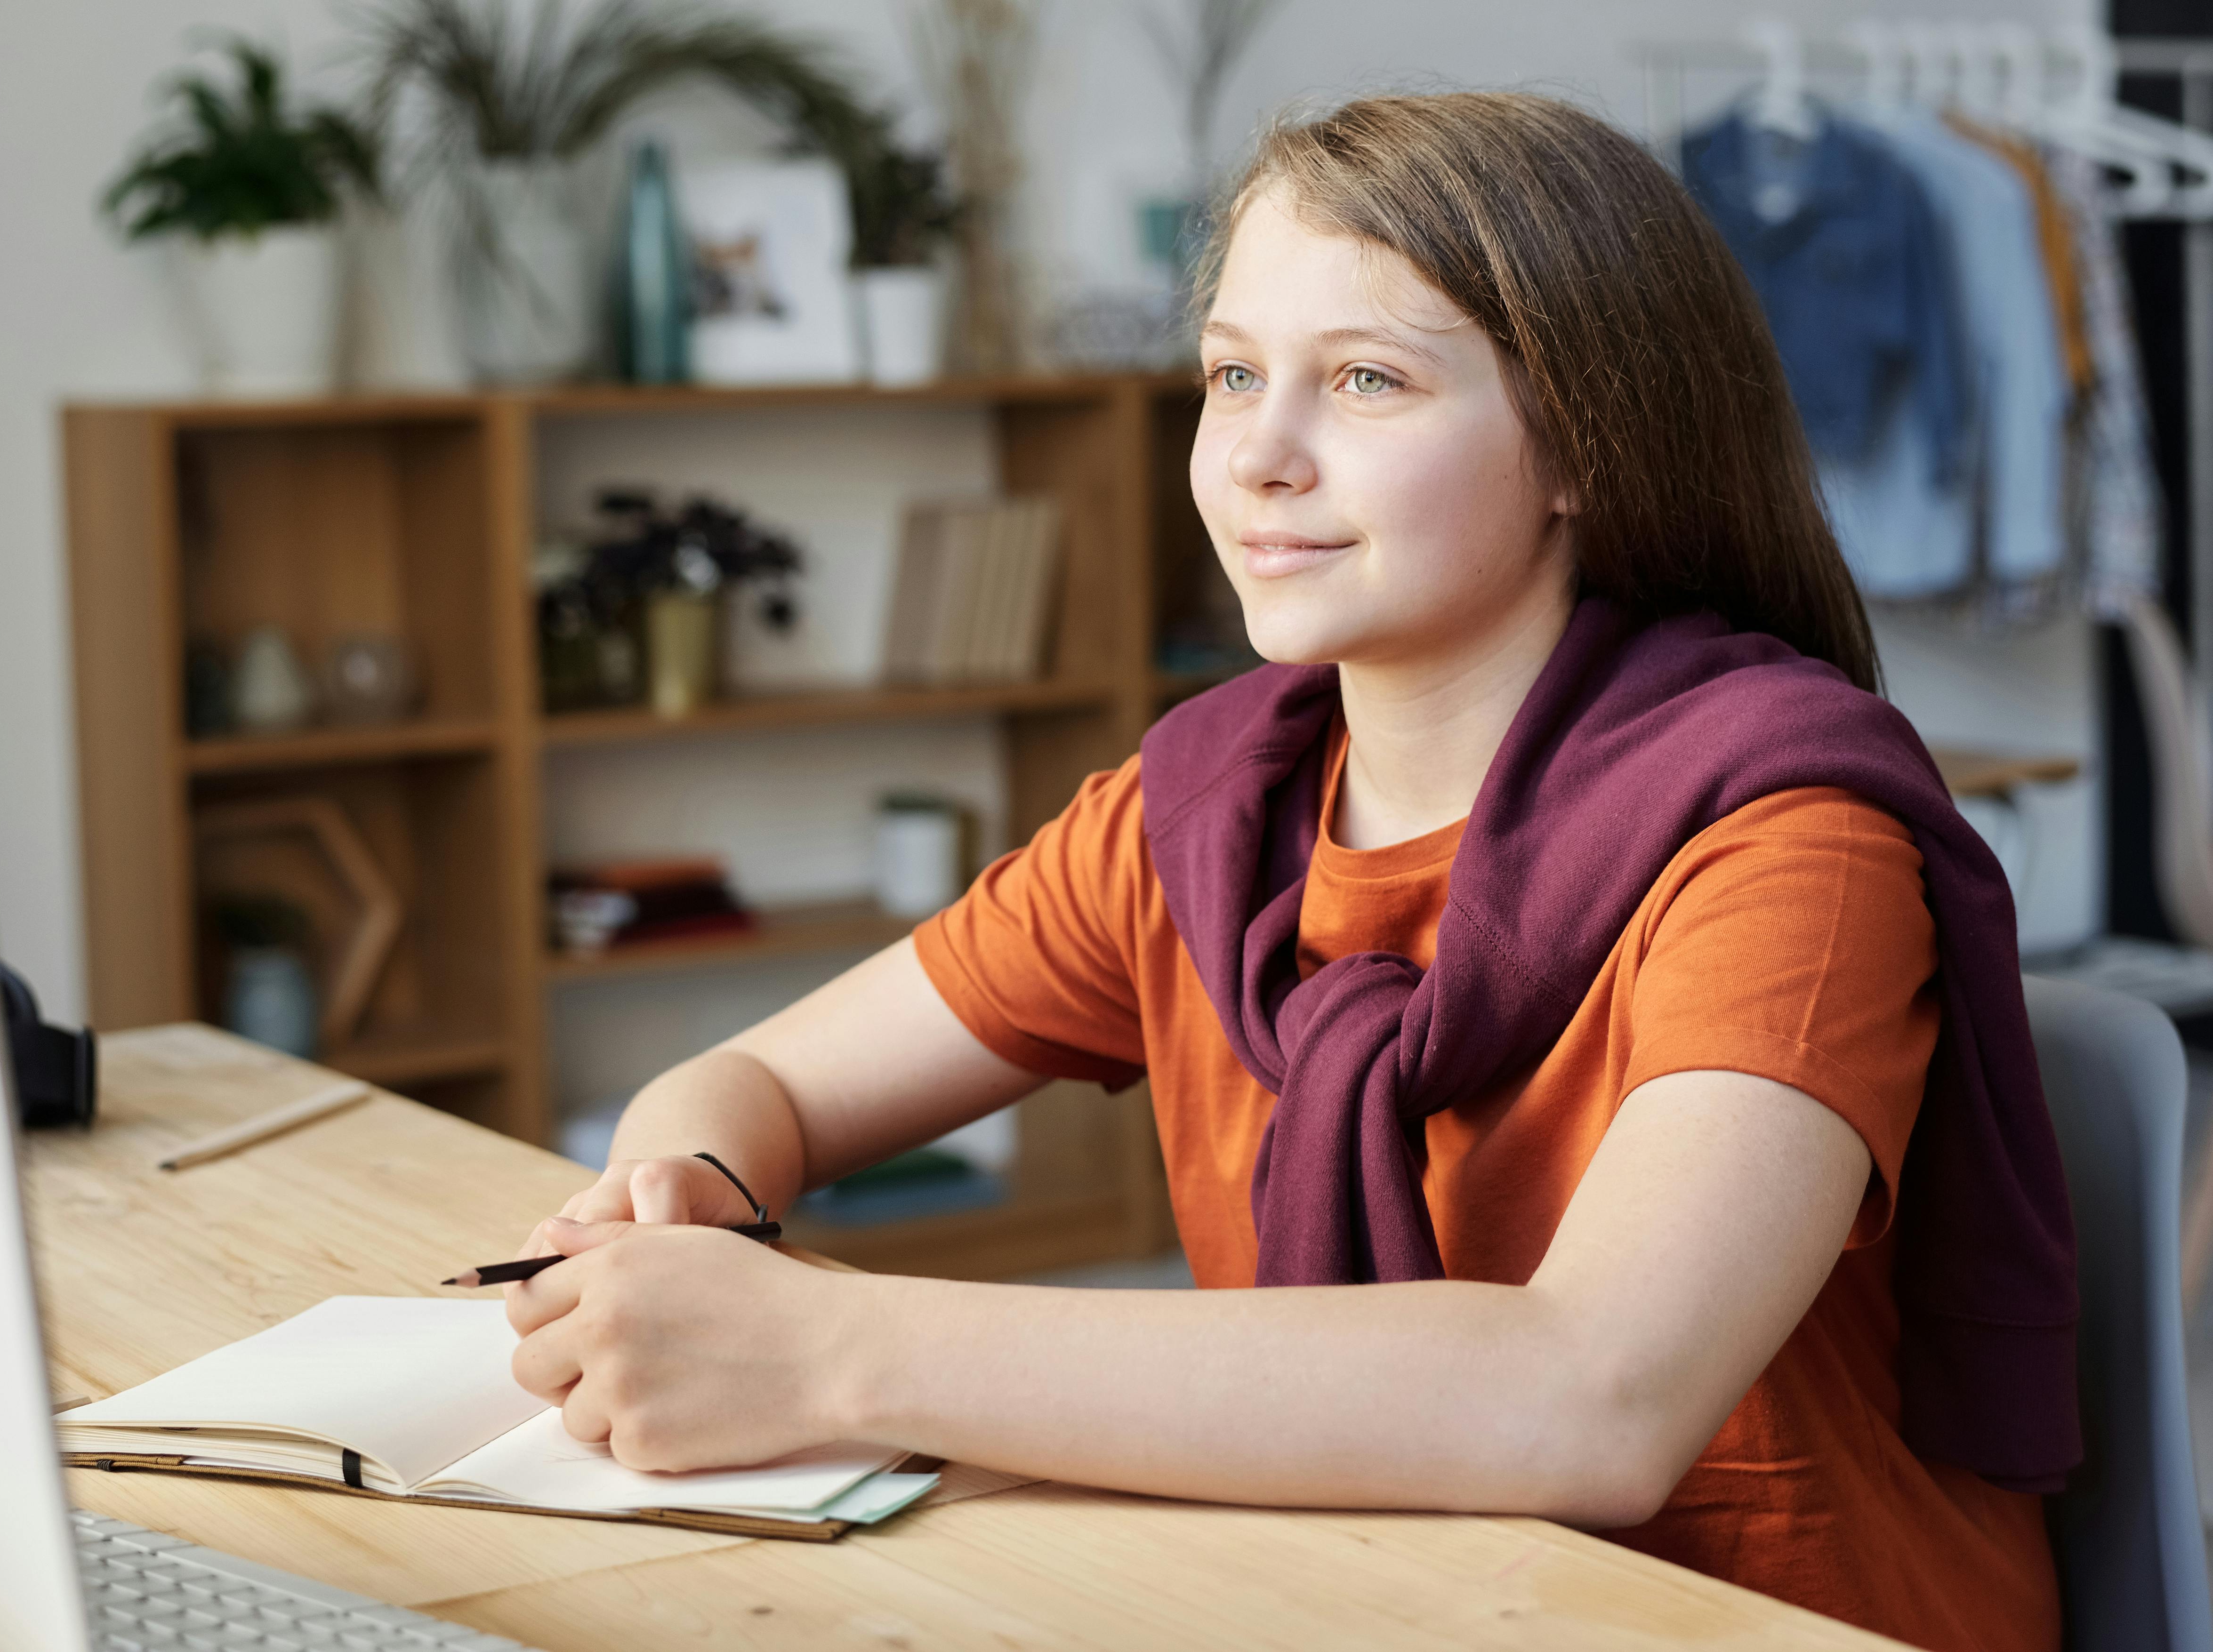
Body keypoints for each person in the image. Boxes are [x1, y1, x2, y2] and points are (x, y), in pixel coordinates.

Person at [500, 93, 2075, 1652]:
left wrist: (833, 1350)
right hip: (1356, 1601)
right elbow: (751, 1084)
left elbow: (1590, 1398)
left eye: (1367, 382)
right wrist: (681, 1206)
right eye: (1233, 374)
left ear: (1585, 443)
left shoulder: (1787, 844)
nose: (1259, 454)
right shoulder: (1200, 815)